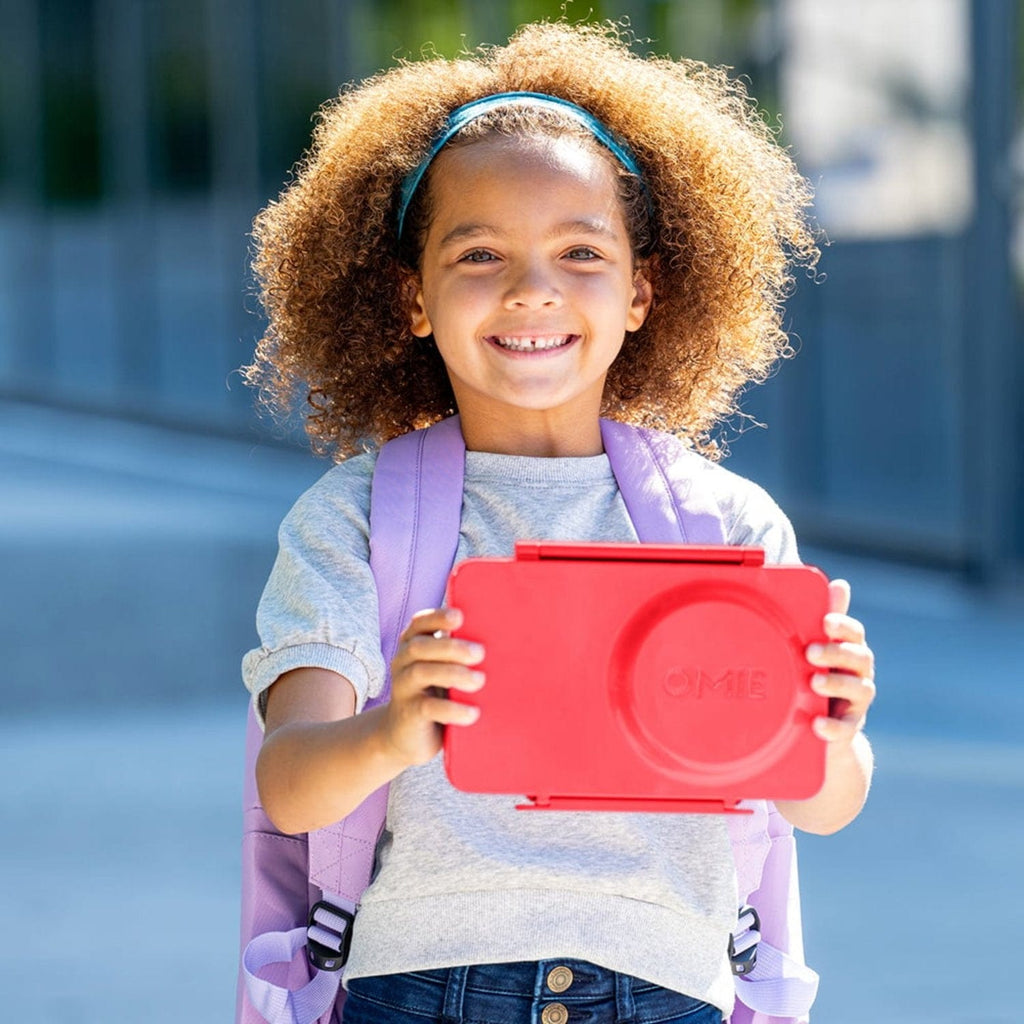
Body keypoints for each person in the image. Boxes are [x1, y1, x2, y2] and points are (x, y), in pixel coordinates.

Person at [241, 20, 876, 1024]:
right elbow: (291, 785)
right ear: (413, 297)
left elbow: (823, 803)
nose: (532, 288)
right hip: (422, 993)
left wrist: (831, 732)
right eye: (479, 252)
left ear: (642, 291)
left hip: (671, 991)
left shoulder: (728, 526)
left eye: (580, 251)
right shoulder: (354, 522)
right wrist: (393, 731)